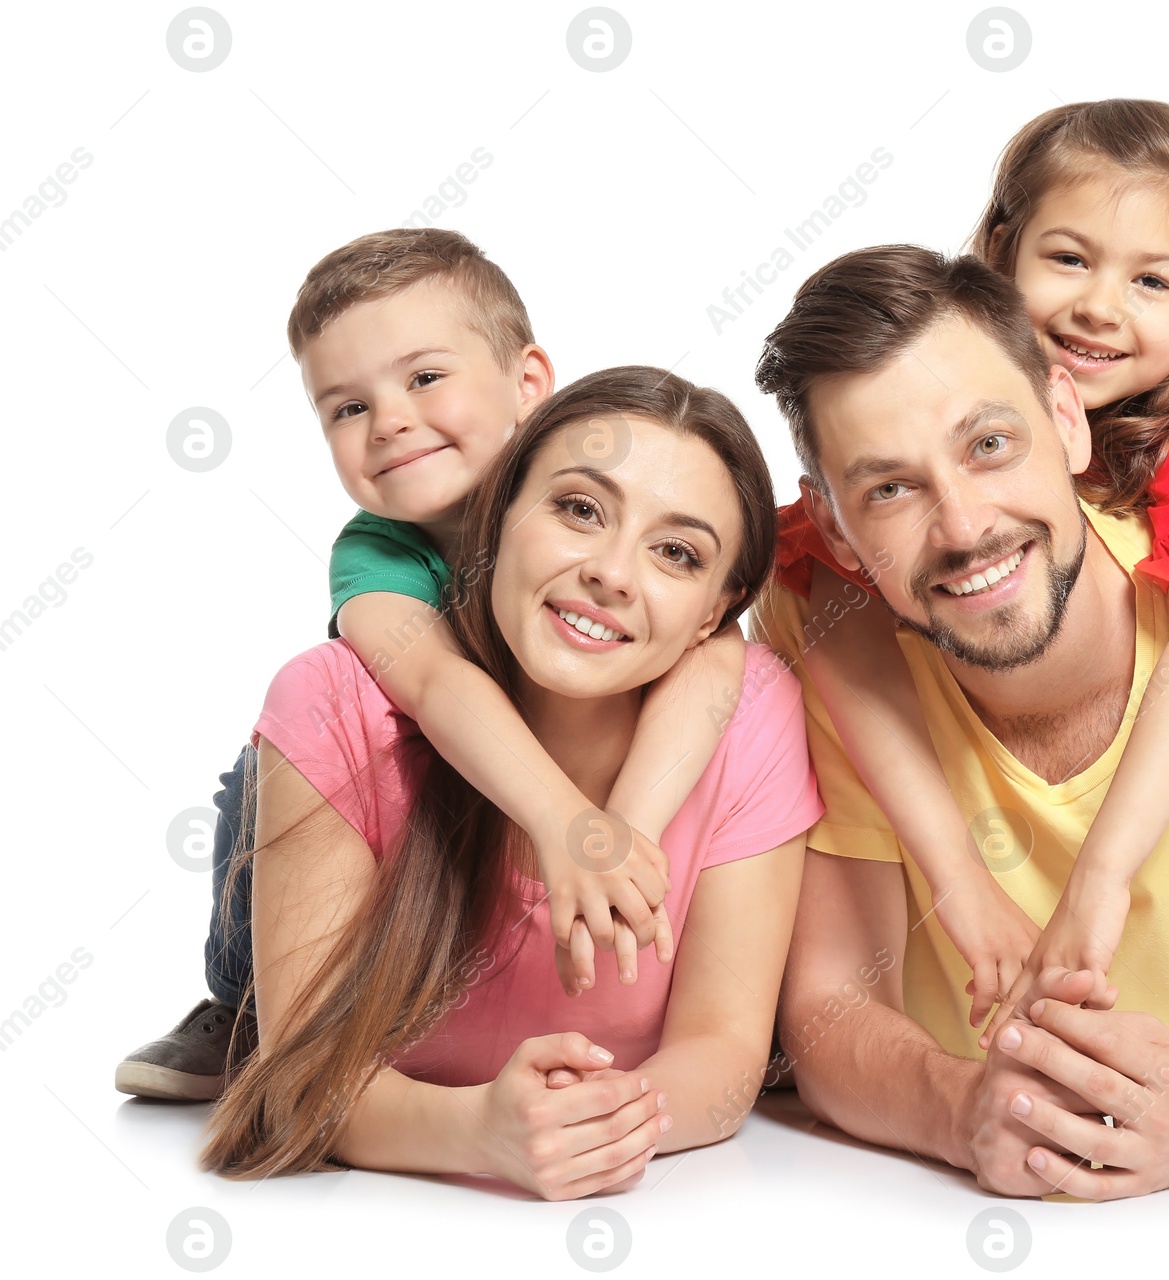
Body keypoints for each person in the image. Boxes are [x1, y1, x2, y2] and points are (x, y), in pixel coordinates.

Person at [751, 243, 1169, 1199]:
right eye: (890, 488)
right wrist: (959, 1111)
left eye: (988, 445)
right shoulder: (820, 623)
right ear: (837, 528)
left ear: (1065, 418)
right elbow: (833, 1009)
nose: (965, 527)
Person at [117, 230, 746, 1100]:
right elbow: (439, 683)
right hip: (415, 787)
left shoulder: (598, 496)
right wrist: (565, 821)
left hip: (561, 780)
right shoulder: (376, 558)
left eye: (423, 378)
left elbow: (718, 656)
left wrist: (618, 831)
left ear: (529, 385)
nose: (391, 422)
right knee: (259, 781)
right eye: (346, 408)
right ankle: (246, 1001)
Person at [769, 100, 1169, 1032]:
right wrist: (953, 874)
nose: (1097, 307)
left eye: (1153, 281)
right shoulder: (930, 385)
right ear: (999, 255)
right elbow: (830, 604)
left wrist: (1102, 876)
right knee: (826, 571)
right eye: (1069, 259)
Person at [200, 367, 821, 1197]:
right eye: (578, 508)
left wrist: (600, 1123)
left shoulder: (753, 714)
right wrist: (479, 1134)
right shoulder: (334, 700)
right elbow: (297, 1085)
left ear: (716, 610)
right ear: (499, 520)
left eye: (676, 553)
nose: (612, 572)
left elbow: (724, 1054)